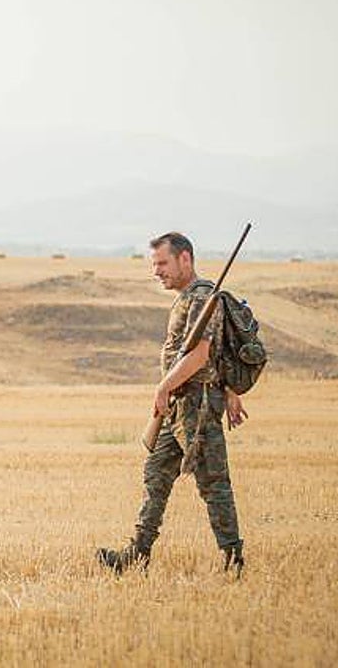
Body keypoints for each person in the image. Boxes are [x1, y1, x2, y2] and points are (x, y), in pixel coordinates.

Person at [97, 232, 248, 575]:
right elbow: (212, 356)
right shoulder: (187, 299)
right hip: (178, 407)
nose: (157, 271)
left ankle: (233, 560)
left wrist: (164, 387)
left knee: (214, 485)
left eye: (163, 263)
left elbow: (200, 355)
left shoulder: (202, 298)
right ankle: (137, 555)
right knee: (156, 475)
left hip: (197, 407)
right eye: (154, 265)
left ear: (185, 259)